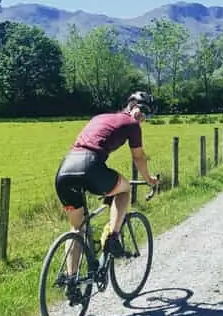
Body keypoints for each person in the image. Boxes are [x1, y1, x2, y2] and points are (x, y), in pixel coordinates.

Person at [54, 91, 160, 281]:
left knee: (77, 228)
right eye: (145, 114)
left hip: (65, 169)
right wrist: (150, 179)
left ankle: (72, 282)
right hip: (90, 166)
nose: (143, 118)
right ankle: (113, 238)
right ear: (137, 109)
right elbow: (139, 157)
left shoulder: (101, 117)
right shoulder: (132, 124)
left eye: (146, 116)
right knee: (125, 188)